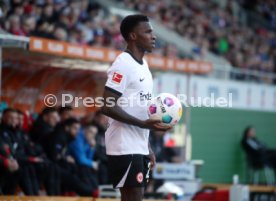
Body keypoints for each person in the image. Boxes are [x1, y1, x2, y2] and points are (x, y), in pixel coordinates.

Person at [101, 14, 171, 201]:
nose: (153, 36)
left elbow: (139, 107)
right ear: (132, 36)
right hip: (123, 144)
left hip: (138, 144)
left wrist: (146, 146)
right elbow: (107, 105)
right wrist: (142, 124)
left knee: (137, 196)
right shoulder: (123, 64)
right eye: (147, 32)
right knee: (132, 196)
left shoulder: (144, 65)